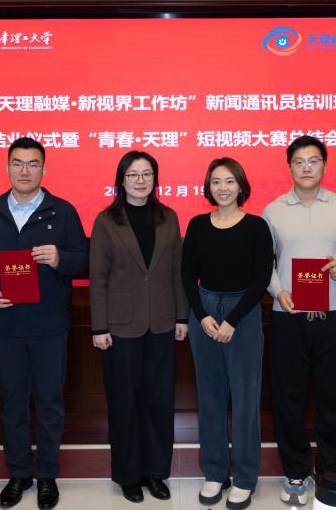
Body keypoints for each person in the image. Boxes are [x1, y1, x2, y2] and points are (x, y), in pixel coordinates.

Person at [0, 137, 89, 510]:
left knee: (50, 402)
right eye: (17, 163)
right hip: (6, 323)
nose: (24, 170)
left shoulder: (62, 211)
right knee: (13, 402)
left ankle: (47, 473)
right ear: (7, 167)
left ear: (44, 169)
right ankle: (19, 472)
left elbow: (85, 258)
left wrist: (61, 258)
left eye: (33, 164)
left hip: (50, 325)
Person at [261, 135, 336, 507]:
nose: (306, 167)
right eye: (299, 161)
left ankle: (330, 470)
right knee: (288, 398)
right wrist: (277, 291)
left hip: (332, 314)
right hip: (288, 316)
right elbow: (264, 262)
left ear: (324, 165)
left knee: (333, 397)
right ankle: (295, 471)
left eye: (313, 160)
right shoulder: (273, 210)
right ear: (289, 167)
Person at [89, 151, 189, 504]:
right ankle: (128, 475)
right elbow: (98, 277)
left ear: (155, 179)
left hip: (161, 323)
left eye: (147, 174)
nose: (140, 180)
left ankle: (155, 473)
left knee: (159, 402)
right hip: (119, 327)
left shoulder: (168, 217)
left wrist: (181, 317)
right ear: (121, 180)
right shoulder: (106, 220)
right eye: (133, 174)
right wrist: (99, 327)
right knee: (124, 402)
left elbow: (177, 272)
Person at [182, 158, 273, 510]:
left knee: (246, 399)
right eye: (216, 181)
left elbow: (261, 278)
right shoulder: (197, 225)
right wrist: (202, 315)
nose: (223, 188)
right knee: (210, 397)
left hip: (243, 313)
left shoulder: (256, 226)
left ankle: (245, 477)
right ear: (208, 187)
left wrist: (232, 320)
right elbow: (187, 275)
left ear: (241, 186)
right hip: (204, 310)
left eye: (230, 181)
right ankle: (215, 472)